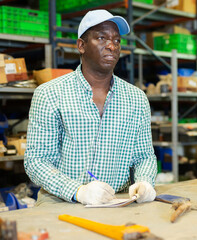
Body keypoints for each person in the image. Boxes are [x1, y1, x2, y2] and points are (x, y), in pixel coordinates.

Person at [24, 9, 157, 206]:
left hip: (118, 199)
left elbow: (144, 156)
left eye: (117, 40)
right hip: (61, 199)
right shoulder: (50, 94)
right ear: (81, 45)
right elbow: (36, 160)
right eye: (102, 38)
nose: (112, 46)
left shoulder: (136, 99)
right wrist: (78, 191)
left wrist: (144, 181)